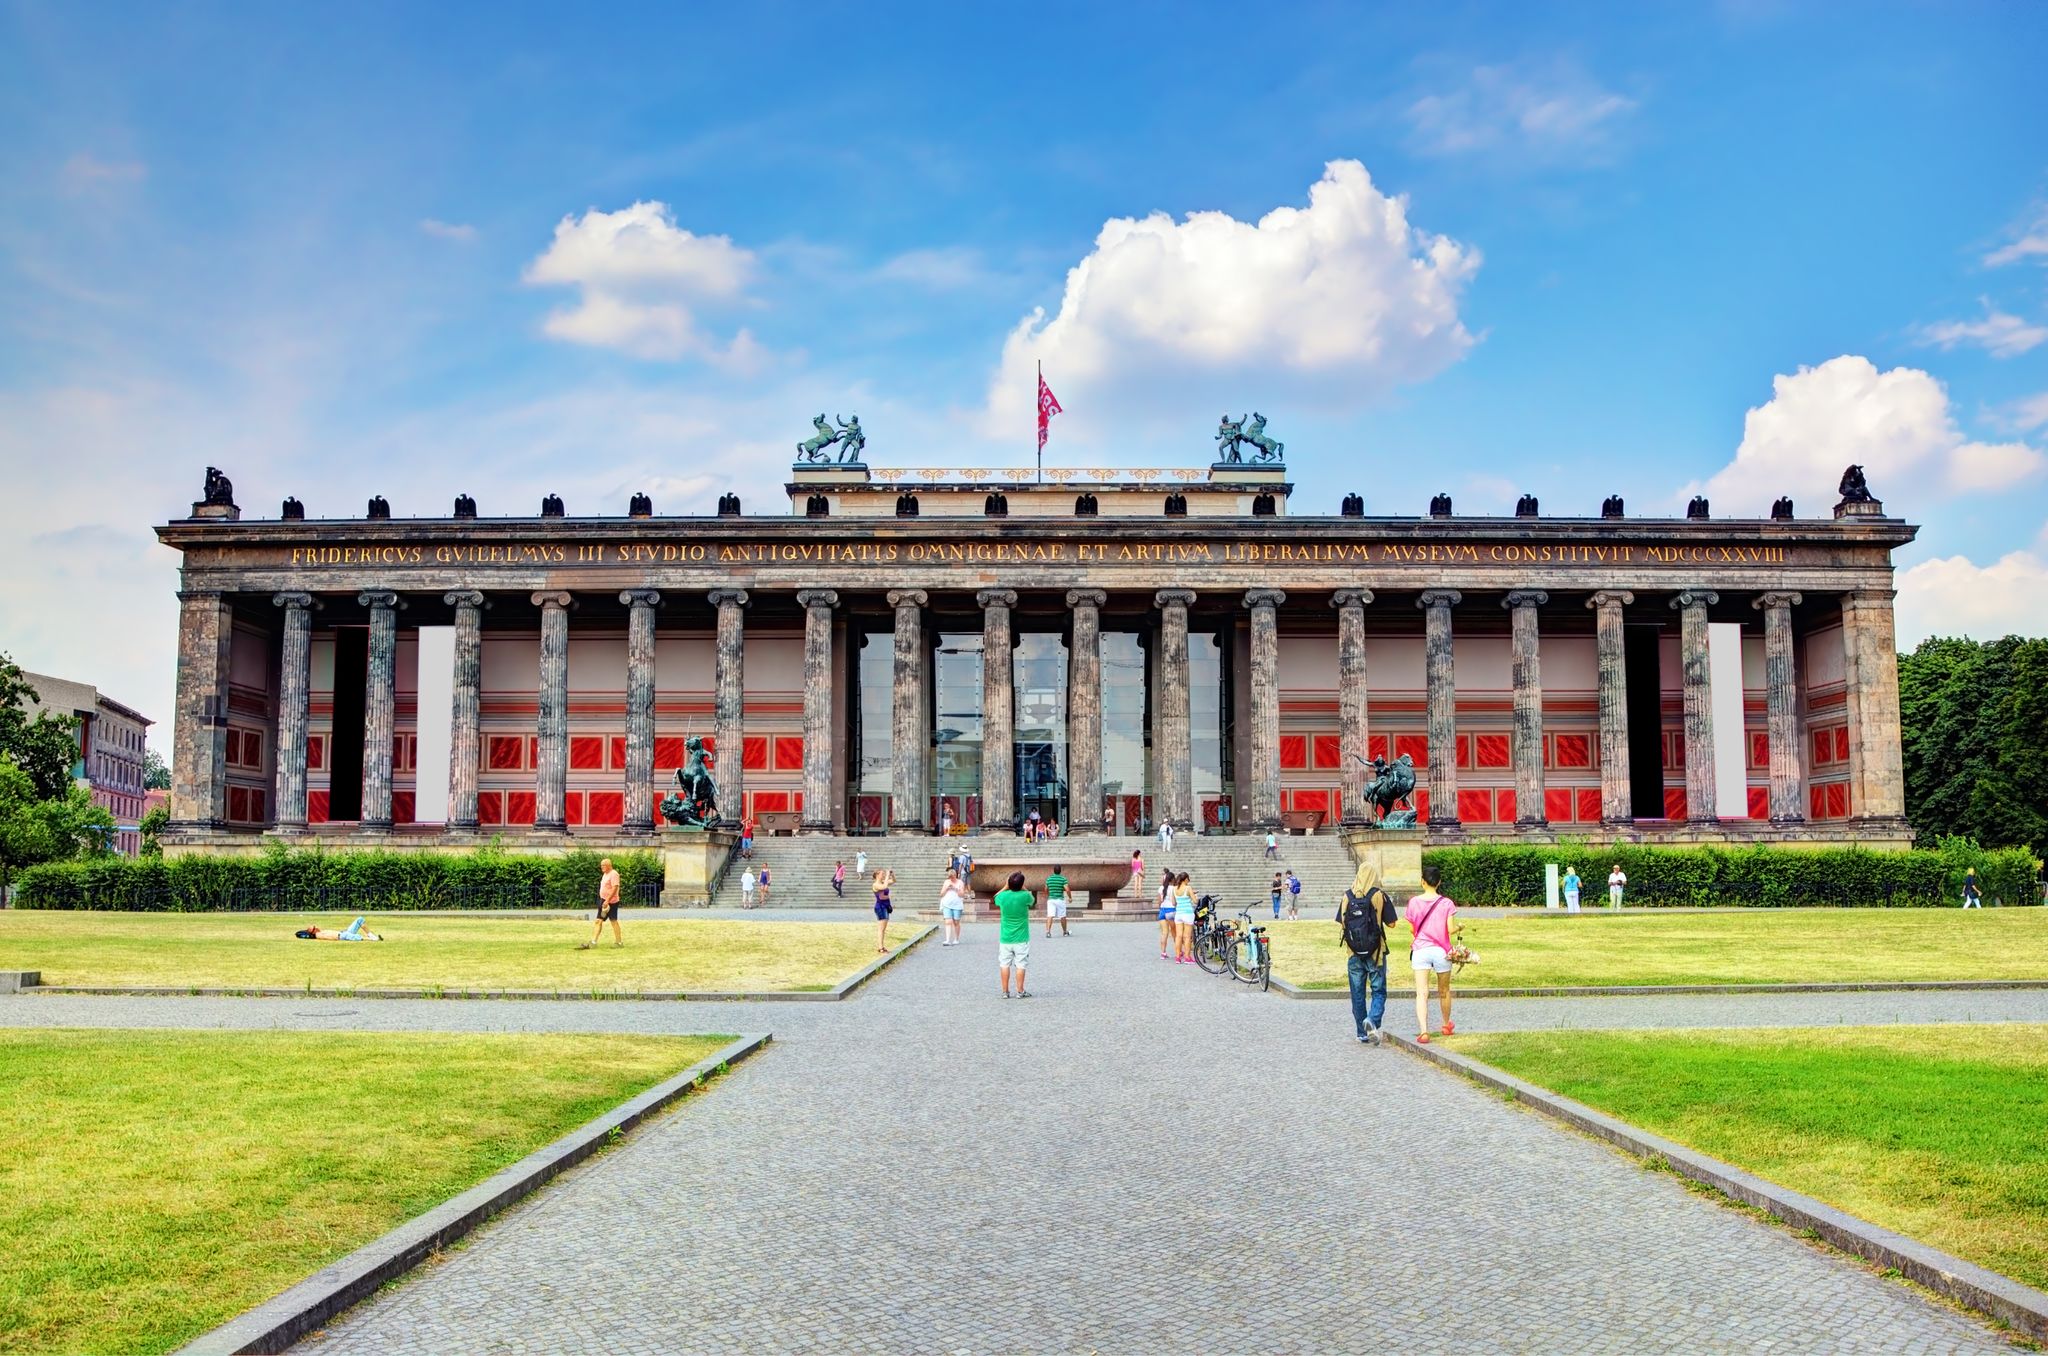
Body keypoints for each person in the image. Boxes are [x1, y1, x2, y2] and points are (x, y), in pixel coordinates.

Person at [1337, 861, 1399, 1045]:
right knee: (1378, 990)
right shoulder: (1379, 895)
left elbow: (1342, 922)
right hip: (1375, 952)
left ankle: (1361, 1032)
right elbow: (1392, 923)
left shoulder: (1347, 896)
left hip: (1353, 953)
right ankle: (1372, 1020)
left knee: (1357, 993)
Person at [1405, 863, 1459, 1043]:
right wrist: (1460, 927)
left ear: (1422, 882)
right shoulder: (1447, 903)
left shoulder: (1413, 902)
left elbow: (1413, 929)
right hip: (1441, 950)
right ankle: (1445, 1024)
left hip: (1421, 949)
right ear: (1439, 882)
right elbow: (1450, 929)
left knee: (1422, 993)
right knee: (1444, 990)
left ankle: (1424, 1030)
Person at [995, 870, 1033, 998]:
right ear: (1022, 884)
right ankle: (1020, 991)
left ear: (1009, 883)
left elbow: (995, 898)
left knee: (1004, 964)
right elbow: (1032, 900)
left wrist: (1006, 887)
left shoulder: (1003, 897)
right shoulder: (1025, 896)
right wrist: (1023, 887)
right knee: (1021, 964)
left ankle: (1005, 992)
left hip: (1005, 938)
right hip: (1022, 938)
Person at [579, 858, 624, 949]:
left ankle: (619, 943)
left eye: (603, 865)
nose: (602, 867)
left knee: (613, 921)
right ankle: (593, 942)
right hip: (603, 901)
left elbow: (615, 888)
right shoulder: (605, 874)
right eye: (601, 865)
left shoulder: (614, 874)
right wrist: (604, 900)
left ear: (609, 865)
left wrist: (607, 900)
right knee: (598, 921)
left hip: (611, 902)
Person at [1173, 871, 1198, 963]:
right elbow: (1195, 901)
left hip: (1178, 914)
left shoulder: (1174, 888)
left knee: (1178, 936)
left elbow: (1173, 903)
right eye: (1188, 879)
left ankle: (1177, 957)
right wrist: (1195, 895)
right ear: (1186, 879)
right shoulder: (1188, 888)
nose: (1189, 881)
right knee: (1187, 937)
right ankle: (1187, 958)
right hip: (1187, 913)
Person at [939, 867, 966, 945]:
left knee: (956, 922)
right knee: (948, 921)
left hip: (957, 904)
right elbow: (941, 894)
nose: (951, 878)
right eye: (950, 877)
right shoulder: (946, 882)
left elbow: (962, 895)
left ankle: (956, 939)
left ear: (955, 875)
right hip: (946, 904)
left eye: (952, 877)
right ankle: (947, 940)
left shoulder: (960, 882)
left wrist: (955, 888)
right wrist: (947, 888)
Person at [296, 917, 383, 941]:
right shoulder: (318, 935)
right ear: (314, 931)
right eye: (315, 927)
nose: (317, 926)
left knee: (359, 919)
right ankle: (374, 939)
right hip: (342, 936)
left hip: (343, 933)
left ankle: (370, 934)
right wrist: (341, 936)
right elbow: (330, 937)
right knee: (358, 937)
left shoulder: (320, 932)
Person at [1044, 864, 1070, 938]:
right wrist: (1070, 897)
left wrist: (1048, 895)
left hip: (1051, 899)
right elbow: (1067, 889)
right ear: (1060, 871)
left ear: (1054, 871)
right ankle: (1065, 932)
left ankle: (1048, 932)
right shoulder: (1063, 879)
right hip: (1060, 900)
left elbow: (1045, 889)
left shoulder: (1049, 879)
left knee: (1050, 916)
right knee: (1062, 916)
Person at [873, 868, 895, 952]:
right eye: (882, 874)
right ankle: (881, 948)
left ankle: (881, 947)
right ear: (877, 875)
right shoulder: (875, 885)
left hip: (885, 906)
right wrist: (887, 878)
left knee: (883, 928)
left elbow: (893, 881)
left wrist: (891, 875)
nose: (884, 875)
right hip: (880, 907)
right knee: (881, 929)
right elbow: (884, 887)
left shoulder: (883, 882)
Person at [1157, 871, 1176, 960]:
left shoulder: (1160, 888)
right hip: (1171, 910)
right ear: (1172, 879)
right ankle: (1179, 952)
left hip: (1162, 911)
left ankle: (1163, 953)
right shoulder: (1174, 888)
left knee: (1164, 933)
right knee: (1174, 933)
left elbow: (1159, 902)